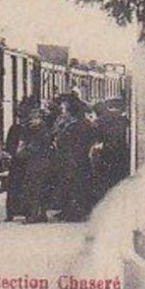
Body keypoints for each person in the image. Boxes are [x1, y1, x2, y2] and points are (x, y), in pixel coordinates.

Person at [53, 94, 99, 222]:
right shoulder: (82, 124)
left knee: (75, 186)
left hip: (74, 160)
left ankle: (74, 212)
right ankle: (71, 211)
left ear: (70, 111)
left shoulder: (73, 127)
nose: (62, 112)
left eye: (63, 109)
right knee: (76, 185)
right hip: (79, 160)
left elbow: (65, 144)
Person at [2, 95, 38, 222]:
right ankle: (21, 212)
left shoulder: (16, 129)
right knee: (22, 186)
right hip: (23, 162)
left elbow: (9, 145)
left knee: (16, 187)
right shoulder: (25, 129)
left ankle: (14, 212)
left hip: (21, 162)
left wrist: (16, 152)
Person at [19, 105, 56, 224]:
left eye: (34, 118)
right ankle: (42, 214)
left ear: (40, 119)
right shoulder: (44, 130)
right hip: (44, 163)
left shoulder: (37, 131)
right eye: (31, 118)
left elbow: (30, 148)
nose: (31, 120)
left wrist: (24, 149)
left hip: (37, 163)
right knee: (42, 188)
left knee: (33, 188)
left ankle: (33, 215)